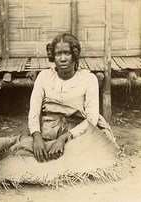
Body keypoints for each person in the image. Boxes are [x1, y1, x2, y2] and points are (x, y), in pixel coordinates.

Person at [28, 33, 102, 162]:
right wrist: (37, 137)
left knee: (88, 158)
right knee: (25, 154)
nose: (62, 58)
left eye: (67, 53)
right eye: (58, 54)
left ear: (74, 54)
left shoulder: (88, 79)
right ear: (53, 56)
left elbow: (91, 119)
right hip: (48, 132)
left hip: (78, 133)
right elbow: (33, 112)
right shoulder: (44, 77)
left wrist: (63, 138)